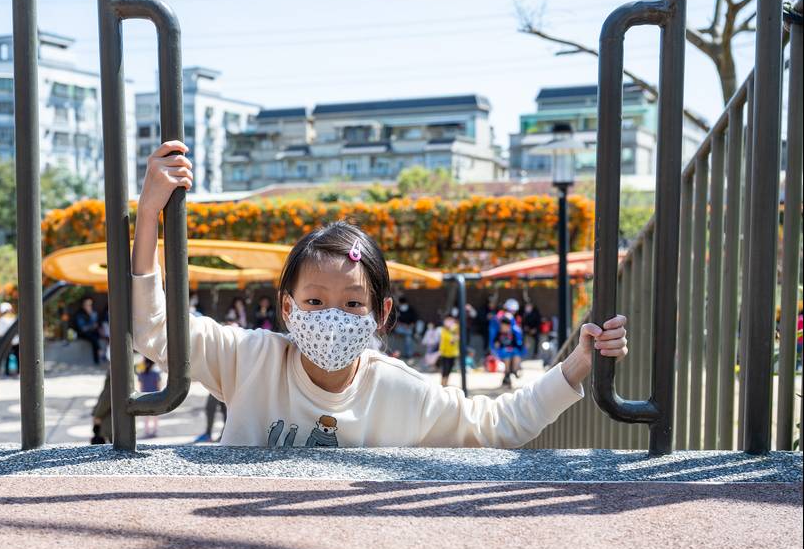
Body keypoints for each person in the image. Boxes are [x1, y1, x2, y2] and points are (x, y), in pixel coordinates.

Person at [130, 141, 629, 448]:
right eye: (314, 302)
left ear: (380, 313)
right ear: (287, 307)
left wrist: (577, 365)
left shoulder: (399, 391)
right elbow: (154, 329)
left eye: (352, 303)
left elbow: (497, 424)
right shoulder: (249, 359)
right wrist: (150, 214)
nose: (332, 318)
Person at [493, 317, 525, 387]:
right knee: (507, 355)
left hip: (512, 350)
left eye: (504, 326)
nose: (502, 327)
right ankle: (508, 373)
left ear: (508, 326)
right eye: (501, 326)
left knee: (516, 354)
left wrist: (517, 346)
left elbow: (518, 344)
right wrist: (497, 344)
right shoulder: (499, 333)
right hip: (503, 351)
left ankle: (514, 370)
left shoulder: (513, 333)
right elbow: (496, 344)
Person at [137, 358, 161, 439]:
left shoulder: (141, 373)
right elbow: (158, 386)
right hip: (154, 396)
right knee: (155, 415)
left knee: (146, 415)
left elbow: (140, 386)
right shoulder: (156, 373)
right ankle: (155, 430)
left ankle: (147, 431)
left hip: (145, 396)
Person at [73, 297, 101, 365]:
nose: (89, 306)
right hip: (82, 333)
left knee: (96, 336)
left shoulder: (93, 313)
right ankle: (99, 353)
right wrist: (92, 326)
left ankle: (100, 355)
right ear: (83, 305)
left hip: (92, 333)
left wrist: (91, 315)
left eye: (90, 305)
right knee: (94, 339)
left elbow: (96, 324)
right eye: (87, 305)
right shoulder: (80, 314)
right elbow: (82, 328)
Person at [0, 302, 20, 376]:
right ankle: (19, 371)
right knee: (18, 356)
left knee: (7, 357)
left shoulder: (1, 320)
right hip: (17, 340)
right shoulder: (15, 318)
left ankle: (7, 372)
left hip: (6, 341)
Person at [393, 295, 419, 361]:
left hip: (408, 328)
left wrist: (410, 325)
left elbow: (414, 320)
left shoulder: (411, 309)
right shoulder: (398, 309)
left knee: (408, 338)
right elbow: (396, 320)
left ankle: (409, 355)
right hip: (400, 328)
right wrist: (403, 325)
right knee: (408, 334)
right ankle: (408, 355)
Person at [437, 315, 461, 387]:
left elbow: (458, 334)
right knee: (445, 368)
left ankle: (446, 382)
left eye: (451, 320)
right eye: (447, 320)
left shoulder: (455, 328)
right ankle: (442, 383)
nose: (449, 322)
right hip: (445, 353)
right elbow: (446, 339)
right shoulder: (443, 330)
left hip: (453, 352)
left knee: (450, 368)